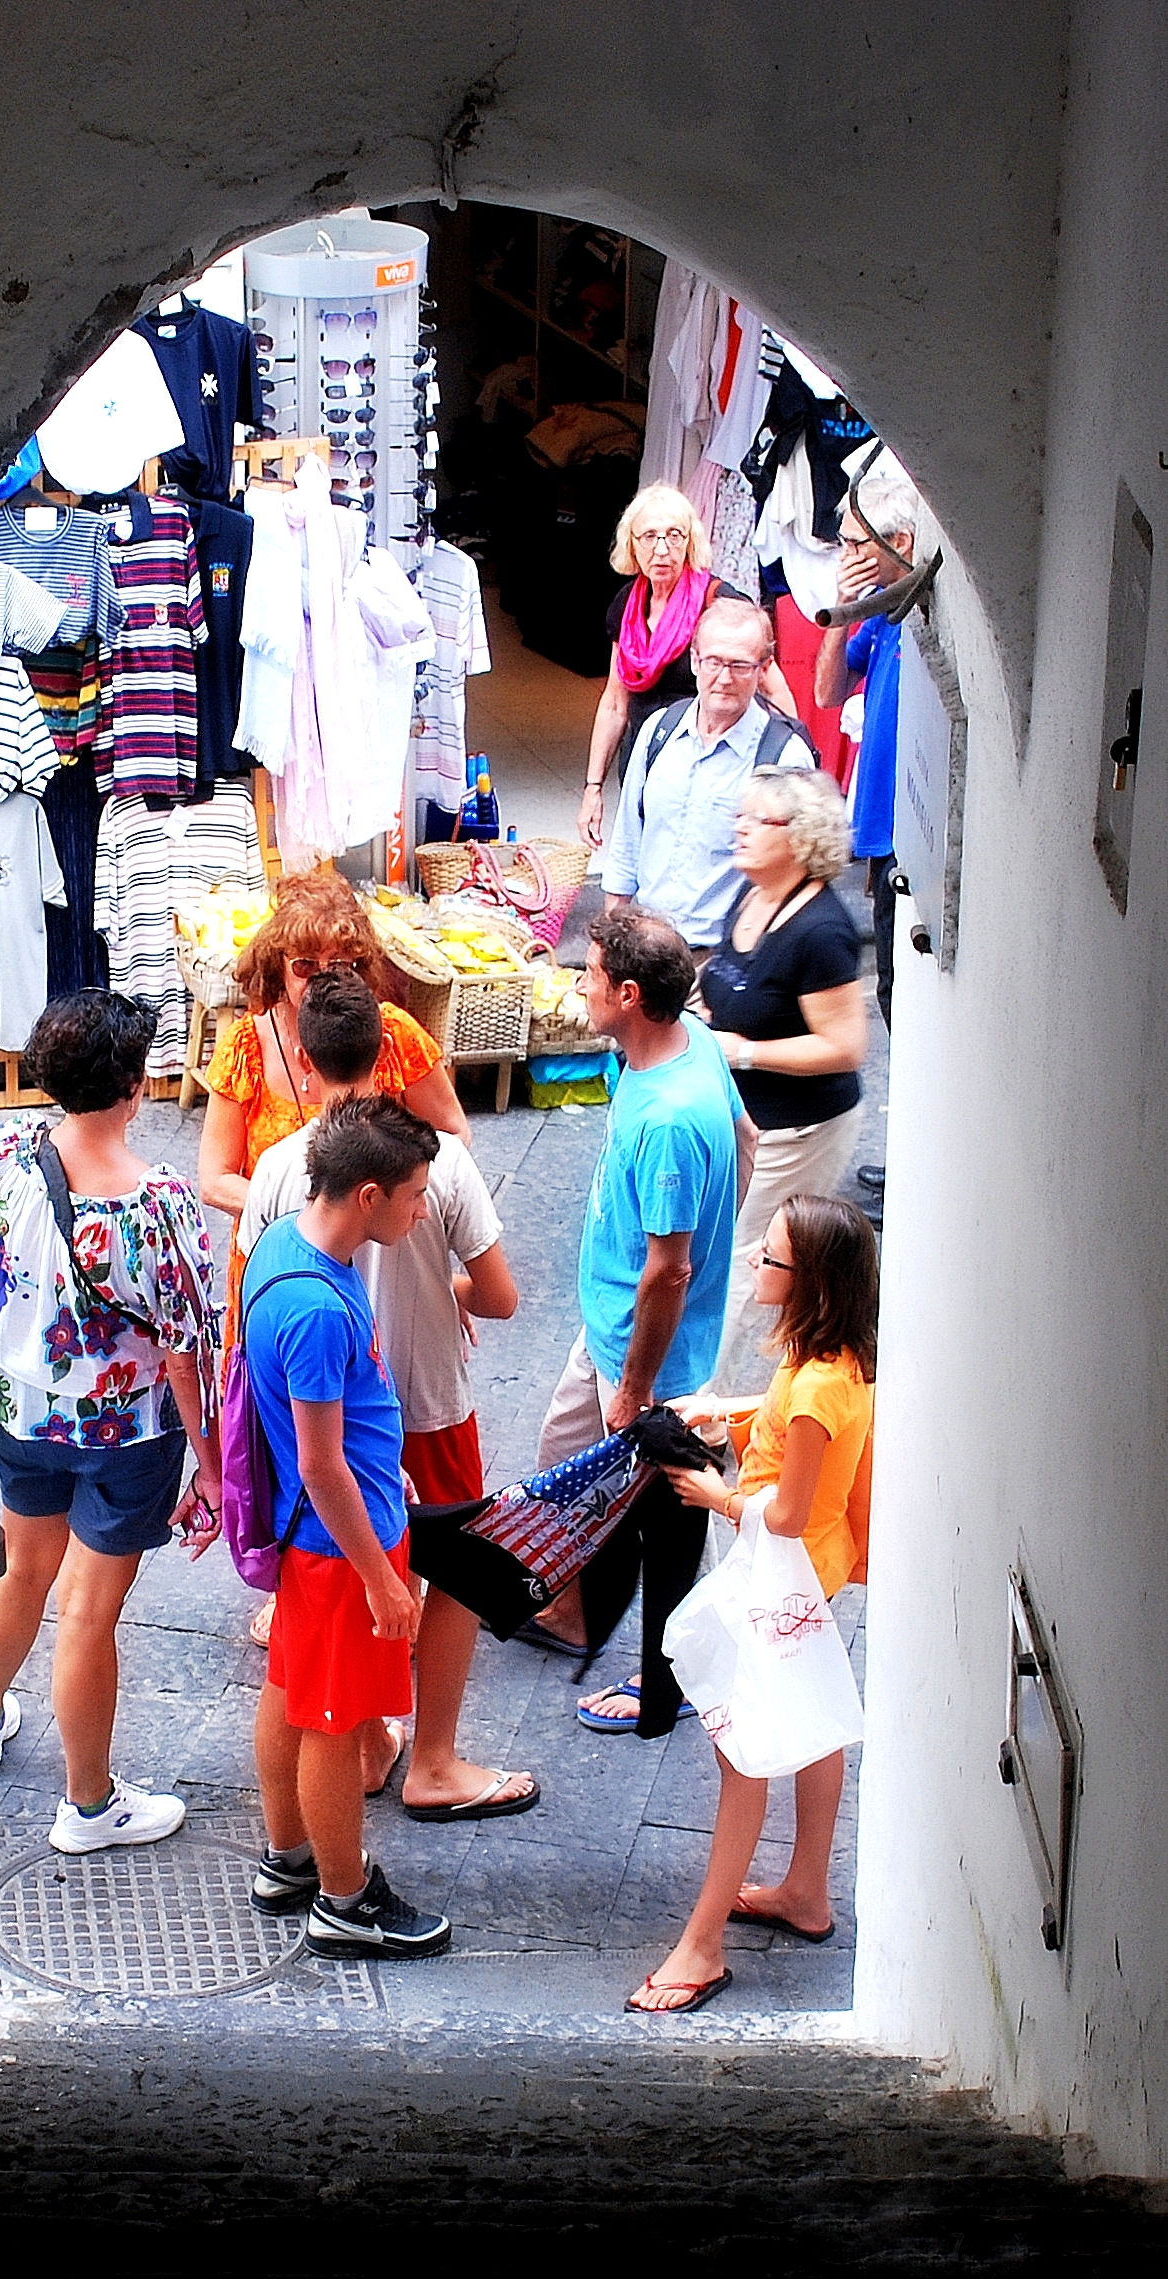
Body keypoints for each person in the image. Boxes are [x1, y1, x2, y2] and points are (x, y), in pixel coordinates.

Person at [238, 974, 534, 1820]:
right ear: (391, 1048)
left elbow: (251, 1298)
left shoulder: (274, 1170)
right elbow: (502, 1295)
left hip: (310, 1414)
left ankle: (368, 1746)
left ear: (302, 1055)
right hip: (427, 1401)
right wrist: (451, 1291)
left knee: (326, 1625)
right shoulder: (437, 1162)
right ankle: (430, 1759)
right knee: (455, 1578)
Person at [0, 991, 223, 1853]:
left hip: (22, 1413)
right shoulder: (158, 1202)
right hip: (127, 1438)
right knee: (90, 1615)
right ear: (135, 1086)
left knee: (23, 1570)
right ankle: (89, 1803)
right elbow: (186, 1348)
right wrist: (211, 1466)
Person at [626, 1194, 879, 2014]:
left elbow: (787, 1512)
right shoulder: (830, 1363)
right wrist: (725, 1410)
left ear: (810, 1282)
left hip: (785, 1579)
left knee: (742, 1754)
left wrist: (713, 1494)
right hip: (815, 1577)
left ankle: (702, 1946)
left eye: (770, 1259)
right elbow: (788, 1429)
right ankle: (806, 1888)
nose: (756, 1266)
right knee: (812, 1722)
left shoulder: (813, 1388)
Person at [523, 911, 757, 1737]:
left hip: (640, 1347)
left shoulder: (665, 1121)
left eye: (587, 974)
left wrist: (635, 1386)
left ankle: (671, 1671)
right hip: (621, 1326)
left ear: (629, 994)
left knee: (667, 1510)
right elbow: (747, 1137)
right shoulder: (686, 1039)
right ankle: (582, 1616)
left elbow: (669, 1267)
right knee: (572, 1467)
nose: (577, 985)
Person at [241, 1096, 455, 1957]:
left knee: (291, 1690)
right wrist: (382, 1577)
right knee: (333, 1720)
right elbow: (323, 1463)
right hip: (342, 1547)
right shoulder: (325, 1308)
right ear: (367, 1194)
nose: (421, 1208)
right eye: (412, 1193)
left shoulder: (279, 1251)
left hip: (315, 1538)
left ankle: (288, 1859)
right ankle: (342, 1896)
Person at [694, 768, 868, 1388]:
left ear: (799, 837)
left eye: (758, 820)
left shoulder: (821, 932)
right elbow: (730, 986)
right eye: (740, 815)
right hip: (745, 1118)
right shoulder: (753, 895)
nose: (739, 829)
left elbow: (845, 1046)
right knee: (723, 1251)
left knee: (744, 1258)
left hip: (798, 1127)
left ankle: (694, 1412)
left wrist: (743, 1051)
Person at [196, 869, 469, 1241]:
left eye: (339, 965)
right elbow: (214, 1180)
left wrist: (390, 1205)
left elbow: (453, 1134)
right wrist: (310, 1216)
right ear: (280, 964)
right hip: (277, 1253)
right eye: (305, 965)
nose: (322, 978)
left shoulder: (394, 1033)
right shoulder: (246, 1047)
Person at [812, 455, 921, 1210]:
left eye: (857, 544)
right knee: (892, 1001)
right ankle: (906, 1151)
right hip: (877, 838)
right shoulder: (877, 614)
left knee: (904, 1004)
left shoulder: (916, 615)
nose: (847, 558)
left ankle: (912, 1158)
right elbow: (826, 688)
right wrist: (839, 608)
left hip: (906, 842)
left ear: (900, 541)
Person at [579, 486, 798, 851]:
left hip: (708, 763)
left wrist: (792, 765)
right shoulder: (626, 606)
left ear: (690, 542)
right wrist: (593, 788)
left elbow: (772, 686)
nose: (661, 549)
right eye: (649, 536)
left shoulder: (718, 602)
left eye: (674, 536)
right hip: (645, 760)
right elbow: (615, 703)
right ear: (632, 544)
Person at [601, 595, 819, 955]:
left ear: (764, 669)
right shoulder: (659, 731)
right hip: (645, 955)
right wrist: (610, 944)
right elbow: (628, 842)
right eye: (714, 662)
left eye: (740, 665)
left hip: (721, 960)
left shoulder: (783, 756)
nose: (724, 678)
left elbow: (798, 881)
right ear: (694, 661)